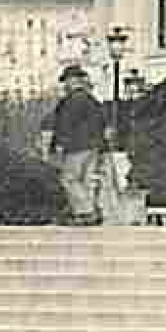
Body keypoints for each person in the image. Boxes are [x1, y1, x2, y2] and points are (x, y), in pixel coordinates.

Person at [48, 64, 106, 225]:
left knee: (69, 179)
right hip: (93, 146)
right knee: (87, 181)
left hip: (76, 146)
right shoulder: (92, 100)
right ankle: (87, 213)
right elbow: (101, 123)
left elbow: (64, 124)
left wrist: (59, 145)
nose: (65, 85)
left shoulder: (71, 101)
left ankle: (86, 211)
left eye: (66, 81)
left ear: (74, 80)